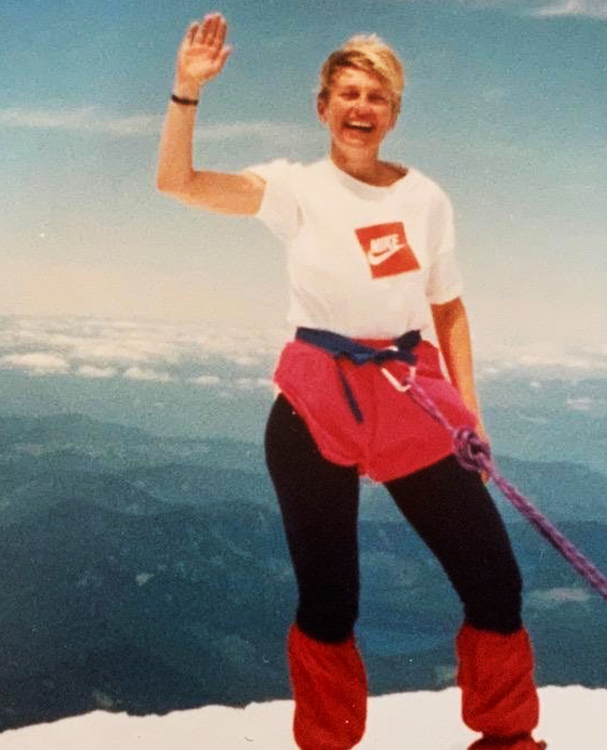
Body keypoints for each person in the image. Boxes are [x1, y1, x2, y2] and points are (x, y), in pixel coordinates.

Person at [155, 13, 545, 750]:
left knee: (494, 580)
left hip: (408, 392)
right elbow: (175, 183)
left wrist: (472, 417)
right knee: (329, 601)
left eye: (376, 97)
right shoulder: (293, 188)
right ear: (321, 107)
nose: (360, 109)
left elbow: (448, 306)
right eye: (347, 94)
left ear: (394, 113)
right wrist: (186, 92)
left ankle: (505, 739)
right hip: (315, 398)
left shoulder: (424, 198)